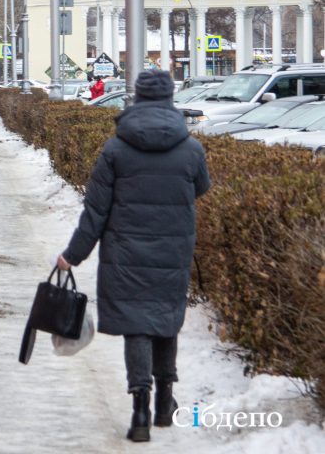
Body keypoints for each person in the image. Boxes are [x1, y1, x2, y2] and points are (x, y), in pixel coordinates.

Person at [56, 70, 211, 443]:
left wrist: (72, 256)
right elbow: (202, 187)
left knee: (137, 325)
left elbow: (95, 211)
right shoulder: (191, 148)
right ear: (171, 98)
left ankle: (140, 407)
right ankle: (165, 403)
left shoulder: (116, 149)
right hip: (172, 249)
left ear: (136, 98)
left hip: (124, 252)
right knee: (165, 320)